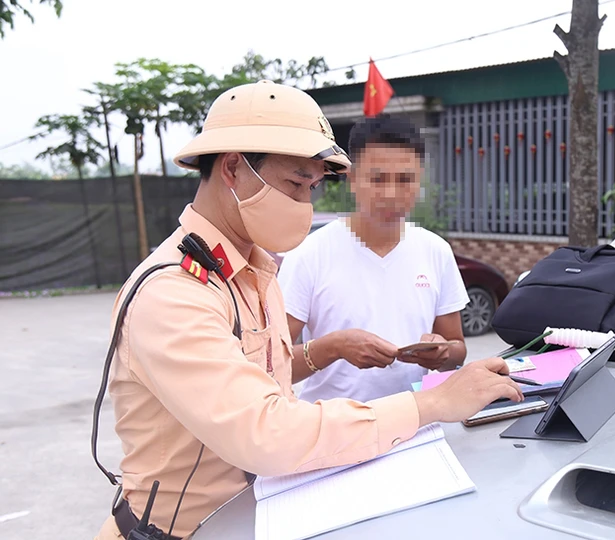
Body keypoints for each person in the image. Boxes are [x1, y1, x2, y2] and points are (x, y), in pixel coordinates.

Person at [93, 80, 523, 540]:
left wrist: (328, 350)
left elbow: (271, 380)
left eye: (313, 188)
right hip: (178, 532)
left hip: (267, 511)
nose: (305, 205)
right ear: (233, 168)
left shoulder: (254, 273)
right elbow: (266, 434)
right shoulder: (174, 292)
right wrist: (433, 403)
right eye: (296, 184)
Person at [278, 114, 470, 404]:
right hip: (332, 424)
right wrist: (334, 347)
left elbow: (457, 350)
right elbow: (272, 365)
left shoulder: (436, 251)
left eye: (405, 180)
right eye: (377, 179)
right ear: (353, 180)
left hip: (417, 421)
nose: (391, 194)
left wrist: (442, 352)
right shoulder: (309, 254)